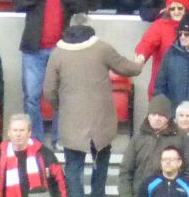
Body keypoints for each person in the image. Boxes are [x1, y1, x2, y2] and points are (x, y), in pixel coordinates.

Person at [45, 12, 143, 197]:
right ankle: (97, 193)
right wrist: (139, 62)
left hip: (71, 122)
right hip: (101, 121)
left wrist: (62, 107)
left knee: (74, 168)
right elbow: (127, 68)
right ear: (90, 26)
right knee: (102, 161)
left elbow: (49, 90)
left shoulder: (57, 54)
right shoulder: (102, 48)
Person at [14, 0, 86, 142]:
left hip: (61, 51)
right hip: (33, 50)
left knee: (61, 98)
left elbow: (82, 9)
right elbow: (17, 4)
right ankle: (34, 141)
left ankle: (59, 140)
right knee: (31, 97)